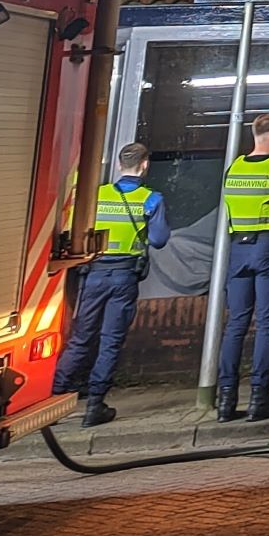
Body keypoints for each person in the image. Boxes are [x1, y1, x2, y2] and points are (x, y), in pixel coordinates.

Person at [52, 141, 168, 425]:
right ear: (144, 165)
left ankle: (52, 399)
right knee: (110, 341)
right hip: (124, 276)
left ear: (119, 165)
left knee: (80, 338)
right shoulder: (151, 199)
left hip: (92, 275)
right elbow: (159, 239)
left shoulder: (95, 195)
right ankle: (95, 405)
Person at [217, 109, 269, 421]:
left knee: (236, 325)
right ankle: (258, 397)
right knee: (266, 324)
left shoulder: (233, 169)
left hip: (238, 250)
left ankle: (225, 401)